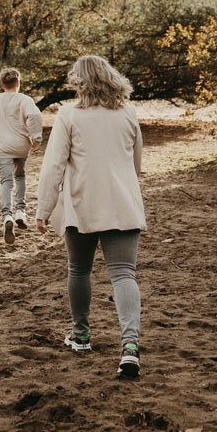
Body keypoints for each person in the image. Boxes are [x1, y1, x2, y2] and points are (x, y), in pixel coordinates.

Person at [36, 55, 145, 378]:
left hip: (82, 205)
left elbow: (53, 166)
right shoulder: (128, 113)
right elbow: (136, 164)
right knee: (124, 274)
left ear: (79, 81)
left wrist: (43, 209)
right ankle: (130, 346)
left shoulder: (69, 115)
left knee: (79, 269)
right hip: (123, 204)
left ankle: (81, 334)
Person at [0, 67, 43, 245]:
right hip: (21, 146)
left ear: (2, 84)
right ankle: (20, 212)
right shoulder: (25, 100)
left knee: (6, 182)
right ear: (18, 82)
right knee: (21, 176)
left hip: (2, 147)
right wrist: (36, 138)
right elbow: (35, 117)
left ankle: (7, 216)